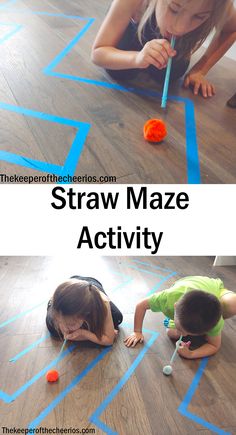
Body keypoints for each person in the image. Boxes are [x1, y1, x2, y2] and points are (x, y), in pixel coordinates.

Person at [91, 0, 236, 98]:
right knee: (119, 69)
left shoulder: (218, 3)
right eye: (173, 9)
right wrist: (136, 59)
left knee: (173, 70)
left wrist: (200, 70)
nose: (179, 28)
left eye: (199, 16)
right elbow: (98, 53)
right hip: (122, 55)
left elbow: (231, 29)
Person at [124, 276, 236, 358]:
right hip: (189, 283)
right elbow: (141, 305)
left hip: (216, 289)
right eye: (181, 329)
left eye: (187, 333)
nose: (183, 335)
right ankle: (195, 329)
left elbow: (214, 346)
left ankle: (208, 331)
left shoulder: (216, 321)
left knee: (233, 304)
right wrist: (137, 331)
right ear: (175, 307)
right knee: (172, 333)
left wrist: (192, 354)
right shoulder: (167, 298)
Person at [46, 275, 123, 346]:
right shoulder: (55, 309)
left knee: (116, 317)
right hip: (72, 285)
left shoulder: (102, 303)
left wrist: (83, 334)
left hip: (92, 285)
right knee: (54, 330)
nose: (66, 328)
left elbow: (109, 340)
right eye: (60, 321)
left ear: (85, 314)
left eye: (71, 324)